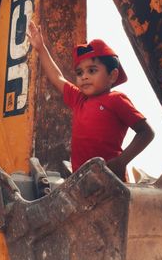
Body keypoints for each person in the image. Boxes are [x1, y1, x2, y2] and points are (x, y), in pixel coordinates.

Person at [28, 21, 154, 181]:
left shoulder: (116, 100)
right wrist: (40, 48)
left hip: (110, 181)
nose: (84, 76)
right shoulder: (78, 99)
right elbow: (57, 77)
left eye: (92, 70)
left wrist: (121, 162)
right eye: (79, 73)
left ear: (112, 76)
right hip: (81, 182)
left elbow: (147, 133)